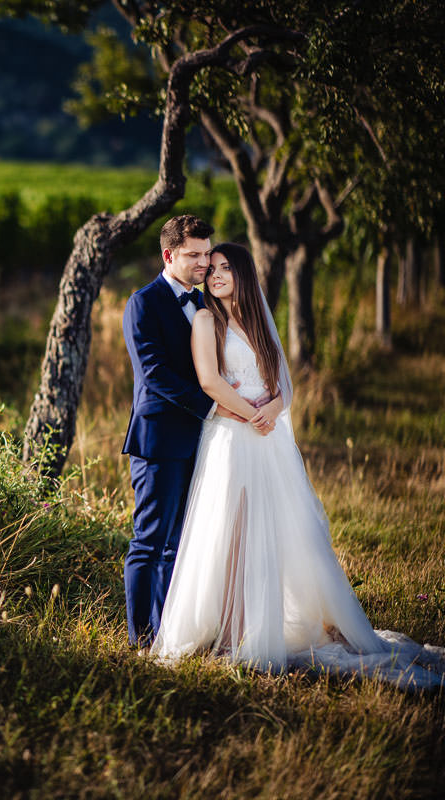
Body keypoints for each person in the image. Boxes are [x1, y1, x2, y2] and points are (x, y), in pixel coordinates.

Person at [151, 242, 443, 688]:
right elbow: (209, 380)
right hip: (232, 440)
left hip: (268, 442)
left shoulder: (258, 321)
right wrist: (252, 414)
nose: (215, 276)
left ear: (244, 274)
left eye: (225, 268)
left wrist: (275, 407)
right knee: (231, 530)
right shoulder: (207, 320)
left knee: (272, 531)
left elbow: (281, 379)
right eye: (211, 270)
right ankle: (231, 630)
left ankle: (263, 624)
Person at [121, 215, 245, 648]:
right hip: (159, 441)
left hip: (205, 440)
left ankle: (169, 637)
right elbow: (153, 373)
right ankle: (141, 641)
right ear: (168, 255)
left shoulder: (207, 304)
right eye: (193, 254)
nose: (203, 262)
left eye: (206, 253)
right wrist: (212, 404)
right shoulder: (143, 303)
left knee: (181, 544)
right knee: (150, 541)